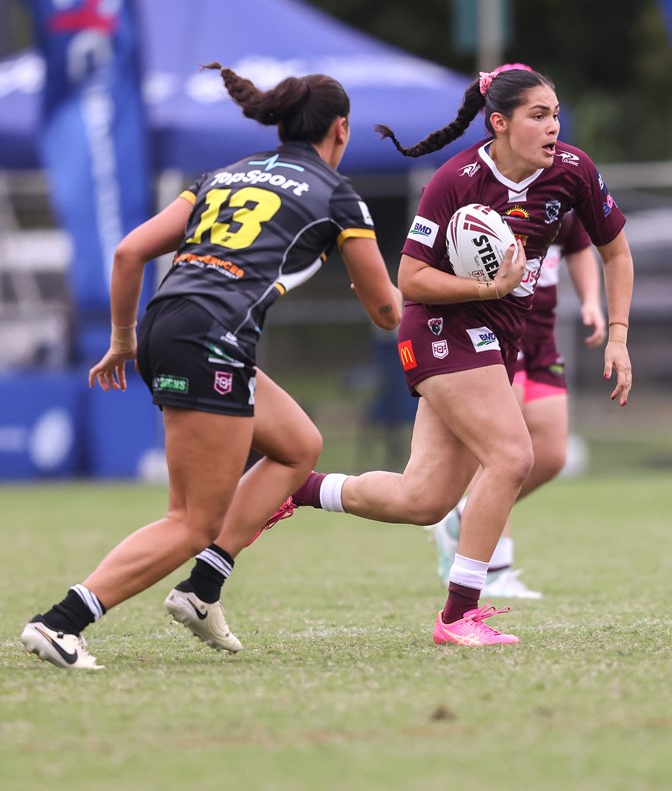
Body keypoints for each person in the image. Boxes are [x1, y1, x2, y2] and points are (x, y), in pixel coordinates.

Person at [20, 64, 402, 669]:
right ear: (341, 129)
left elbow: (129, 252)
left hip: (166, 324)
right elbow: (386, 311)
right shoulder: (337, 195)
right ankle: (62, 622)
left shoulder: (221, 175)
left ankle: (203, 588)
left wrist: (122, 340)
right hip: (213, 338)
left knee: (299, 445)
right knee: (192, 519)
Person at [252, 64, 632, 648]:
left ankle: (294, 488)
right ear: (499, 124)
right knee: (512, 456)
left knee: (424, 499)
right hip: (439, 330)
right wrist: (486, 290)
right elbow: (412, 278)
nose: (553, 126)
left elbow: (615, 252)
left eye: (555, 114)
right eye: (539, 115)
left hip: (497, 339)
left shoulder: (573, 171)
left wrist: (619, 333)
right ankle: (458, 616)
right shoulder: (457, 180)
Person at [433, 210, 607, 598]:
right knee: (504, 456)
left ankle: (462, 517)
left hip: (542, 335)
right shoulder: (484, 194)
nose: (553, 146)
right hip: (496, 329)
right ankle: (494, 569)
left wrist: (591, 302)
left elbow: (579, 248)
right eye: (548, 142)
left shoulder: (560, 192)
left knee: (551, 454)